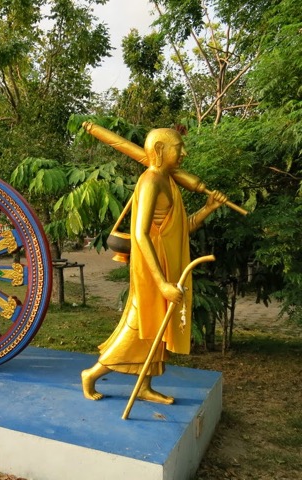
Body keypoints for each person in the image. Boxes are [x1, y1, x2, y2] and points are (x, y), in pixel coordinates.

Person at [81, 128, 227, 403]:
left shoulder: (168, 181)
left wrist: (208, 208)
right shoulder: (150, 182)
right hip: (151, 273)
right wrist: (160, 282)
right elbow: (139, 234)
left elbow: (181, 230)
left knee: (157, 331)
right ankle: (92, 374)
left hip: (166, 267)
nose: (184, 153)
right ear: (159, 150)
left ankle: (144, 385)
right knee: (139, 327)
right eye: (179, 148)